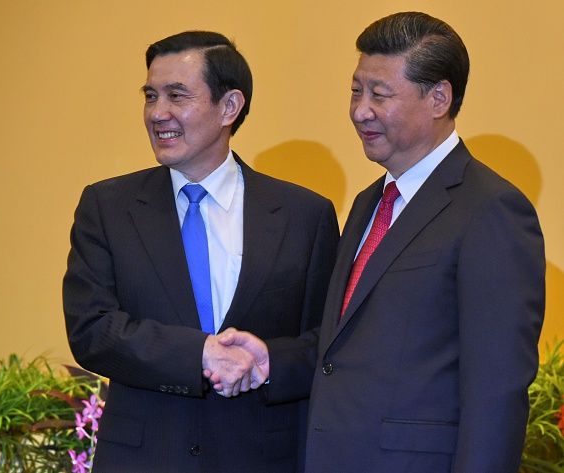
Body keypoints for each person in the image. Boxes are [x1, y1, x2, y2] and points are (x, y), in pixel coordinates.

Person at [209, 12, 545, 473]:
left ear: (438, 98)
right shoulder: (371, 201)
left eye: (379, 94)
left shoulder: (490, 210)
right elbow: (346, 351)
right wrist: (272, 360)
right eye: (355, 90)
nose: (359, 110)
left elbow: (496, 392)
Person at [62, 31, 338, 473]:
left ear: (230, 106)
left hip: (263, 457)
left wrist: (266, 362)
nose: (158, 113)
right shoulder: (107, 207)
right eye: (150, 96)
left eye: (177, 95)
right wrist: (201, 354)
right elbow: (91, 329)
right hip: (143, 459)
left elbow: (327, 344)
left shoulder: (305, 215)